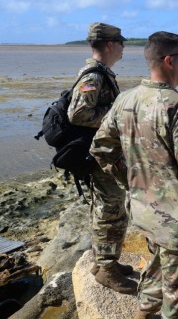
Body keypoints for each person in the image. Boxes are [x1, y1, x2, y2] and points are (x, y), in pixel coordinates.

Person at [91, 31, 178, 318]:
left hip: (145, 213)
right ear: (169, 61)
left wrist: (133, 183)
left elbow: (101, 149)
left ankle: (145, 313)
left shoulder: (126, 99)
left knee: (158, 269)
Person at [68, 22, 136, 294]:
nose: (123, 46)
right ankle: (106, 268)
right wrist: (116, 115)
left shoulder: (101, 73)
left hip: (104, 155)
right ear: (109, 45)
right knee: (111, 212)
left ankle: (105, 262)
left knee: (110, 209)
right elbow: (77, 114)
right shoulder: (93, 75)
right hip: (100, 157)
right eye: (120, 42)